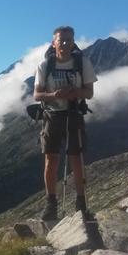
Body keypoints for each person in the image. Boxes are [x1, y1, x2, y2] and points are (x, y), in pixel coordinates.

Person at [33, 26, 97, 220]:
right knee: (51, 158)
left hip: (73, 112)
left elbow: (89, 93)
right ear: (54, 43)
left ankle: (81, 202)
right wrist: (54, 95)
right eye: (61, 40)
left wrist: (74, 93)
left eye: (69, 40)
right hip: (52, 114)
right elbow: (37, 95)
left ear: (73, 41)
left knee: (76, 158)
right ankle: (51, 203)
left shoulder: (82, 63)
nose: (65, 43)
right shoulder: (45, 65)